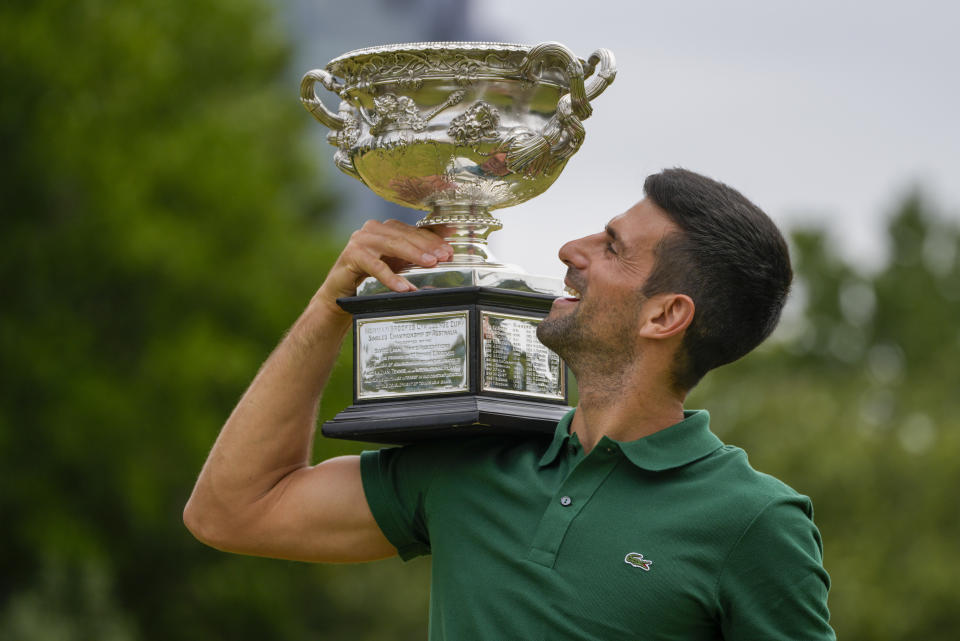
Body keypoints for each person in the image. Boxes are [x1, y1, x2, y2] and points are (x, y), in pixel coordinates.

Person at [184, 168, 835, 640]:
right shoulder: (474, 456)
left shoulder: (755, 522)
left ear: (666, 314)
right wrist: (333, 301)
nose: (569, 252)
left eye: (609, 247)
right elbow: (232, 510)